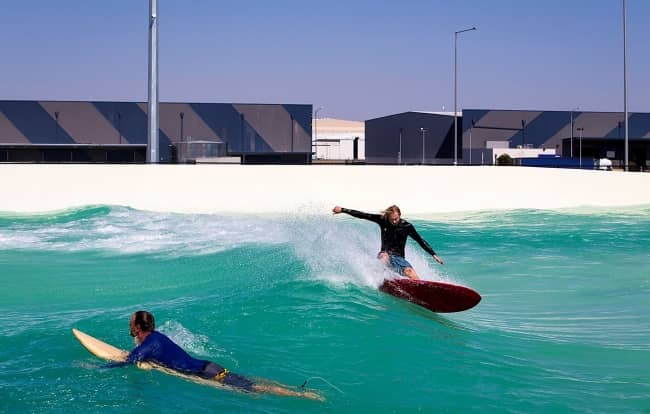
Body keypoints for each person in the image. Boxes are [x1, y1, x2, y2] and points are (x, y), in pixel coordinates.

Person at [108, 311, 323, 401]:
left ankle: (300, 395)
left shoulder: (149, 344)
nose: (129, 325)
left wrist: (98, 368)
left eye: (131, 323)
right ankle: (297, 391)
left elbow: (128, 361)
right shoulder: (156, 337)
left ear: (137, 327)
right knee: (254, 383)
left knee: (255, 389)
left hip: (206, 373)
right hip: (210, 367)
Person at [332, 205, 443, 280]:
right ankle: (379, 277)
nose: (394, 221)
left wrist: (433, 254)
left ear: (400, 215)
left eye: (396, 218)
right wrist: (343, 210)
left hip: (399, 258)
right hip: (385, 254)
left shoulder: (407, 226)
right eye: (392, 219)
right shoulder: (383, 220)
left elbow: (420, 240)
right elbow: (363, 215)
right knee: (384, 256)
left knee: (410, 272)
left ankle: (421, 289)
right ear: (388, 217)